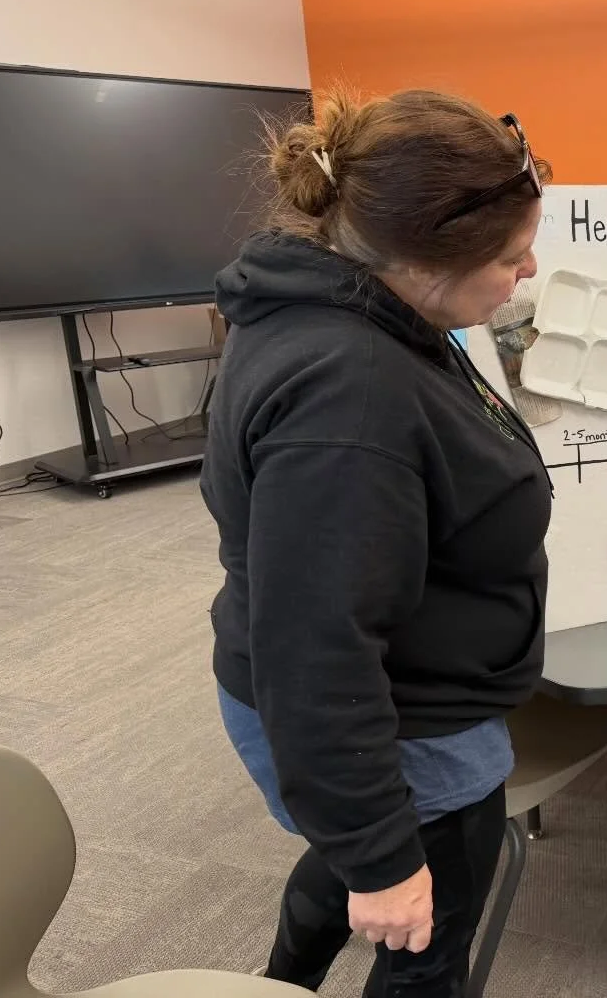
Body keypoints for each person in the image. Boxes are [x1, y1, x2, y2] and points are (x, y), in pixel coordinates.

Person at [201, 89, 552, 995]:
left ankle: (284, 978)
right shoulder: (351, 397)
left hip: (396, 695)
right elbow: (316, 651)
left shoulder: (356, 305)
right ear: (429, 257)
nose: (528, 270)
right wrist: (381, 855)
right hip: (396, 724)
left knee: (362, 869)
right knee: (421, 943)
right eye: (512, 257)